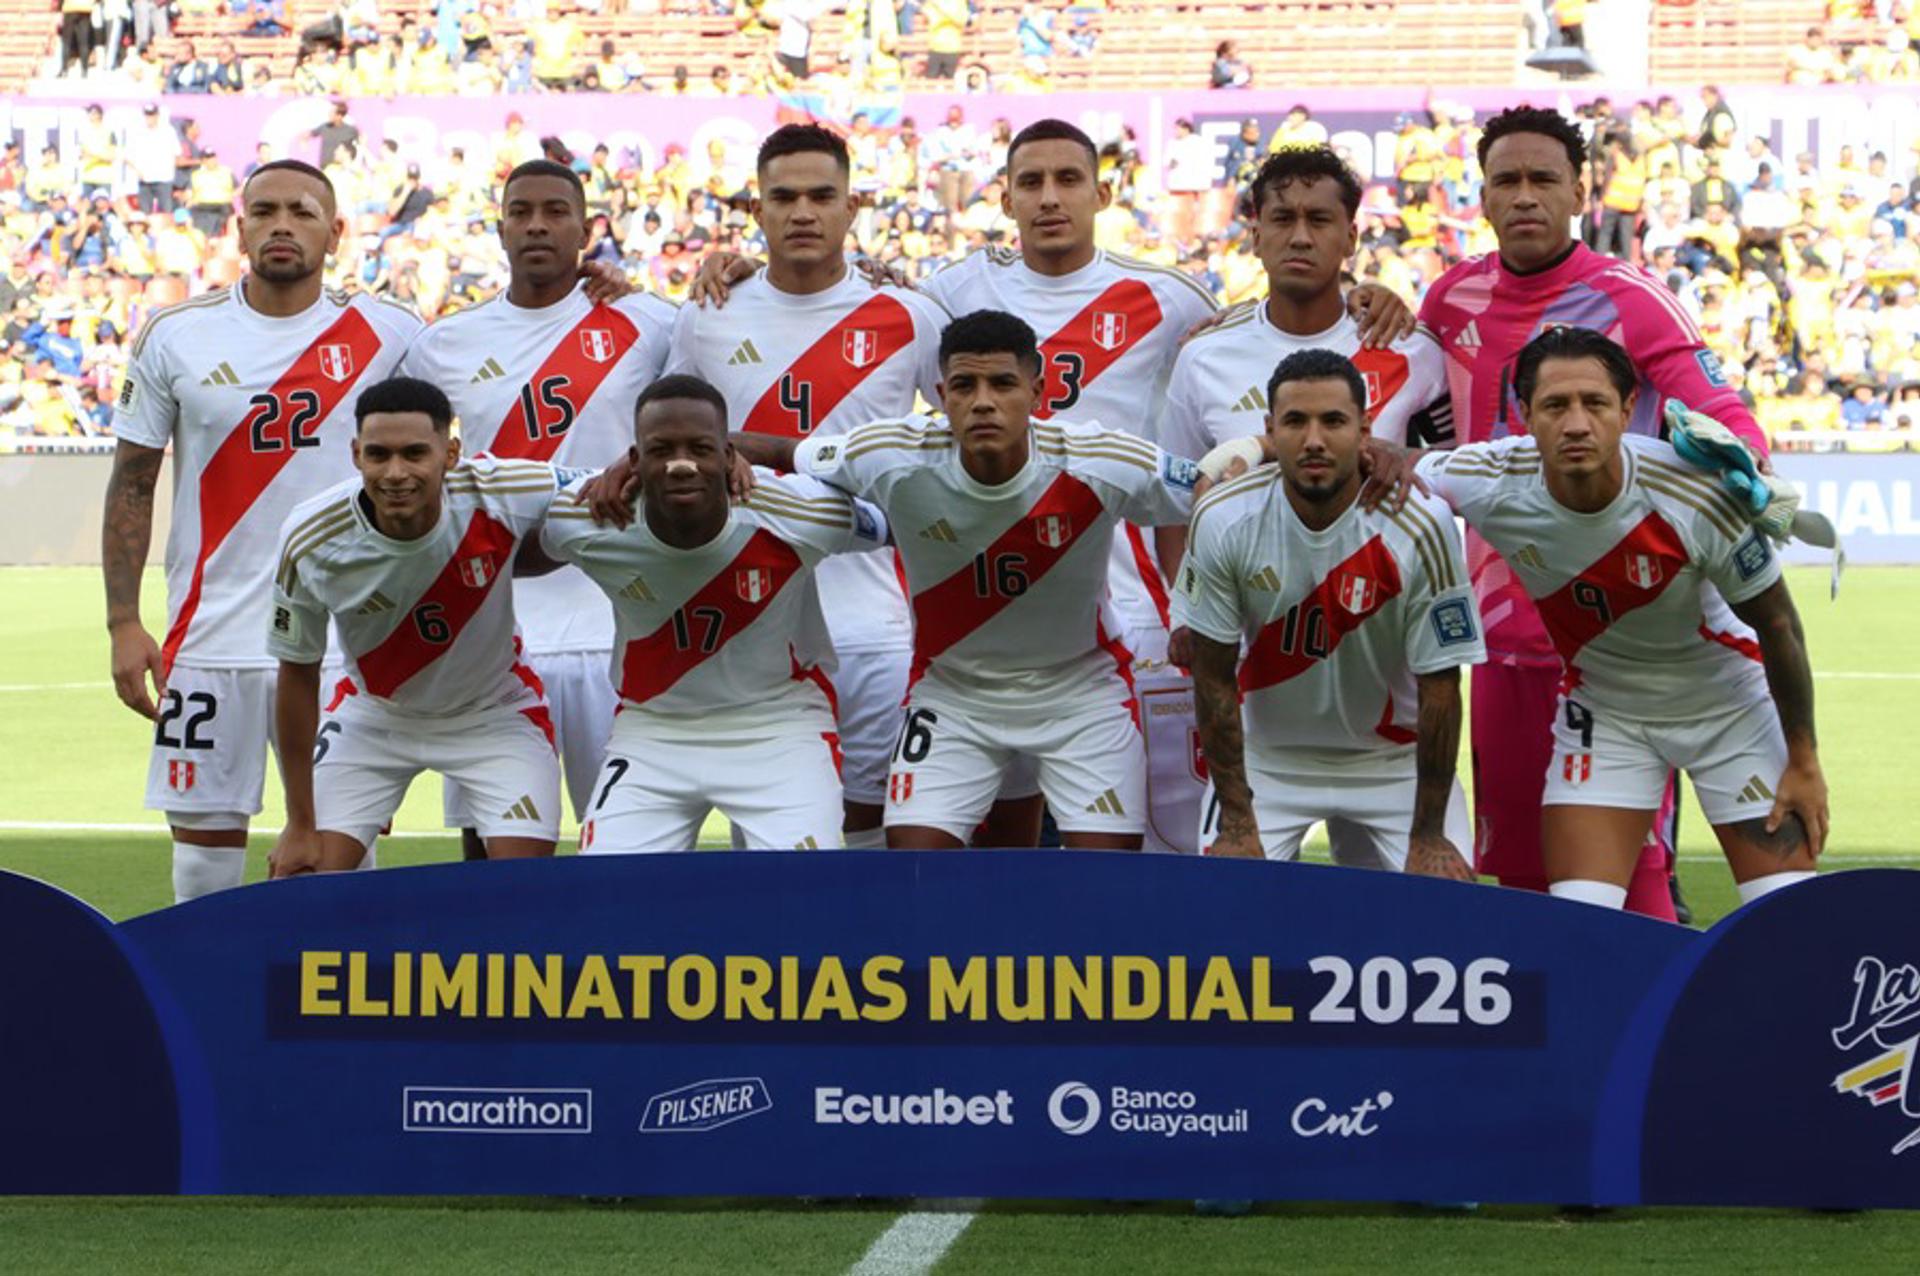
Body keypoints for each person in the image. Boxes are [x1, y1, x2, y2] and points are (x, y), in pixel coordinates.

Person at [1417, 105, 1772, 920]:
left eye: (1544, 178)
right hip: (1502, 633)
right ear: (1483, 194)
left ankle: (1651, 1040)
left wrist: (1745, 467)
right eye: (1506, 179)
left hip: (1620, 637)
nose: (1525, 195)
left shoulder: (1631, 300)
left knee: (1635, 878)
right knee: (1521, 870)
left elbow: (1721, 410)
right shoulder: (1452, 297)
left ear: (1580, 191)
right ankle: (1554, 1042)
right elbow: (1410, 407)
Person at [726, 309, 1200, 851]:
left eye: (1003, 384)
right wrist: (649, 457)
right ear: (938, 395)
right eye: (963, 386)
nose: (982, 401)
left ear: (1038, 392)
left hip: (1080, 691)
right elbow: (782, 451)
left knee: (1105, 877)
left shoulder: (1098, 458)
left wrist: (1192, 602)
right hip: (953, 693)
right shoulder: (889, 453)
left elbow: (1214, 493)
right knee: (917, 867)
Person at [1413, 327, 1825, 908]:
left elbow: (1779, 625)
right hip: (1605, 715)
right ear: (1525, 414)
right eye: (1555, 405)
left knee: (1787, 917)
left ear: (1629, 409)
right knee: (1582, 921)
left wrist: (1804, 761)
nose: (1576, 424)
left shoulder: (1695, 491)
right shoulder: (1488, 477)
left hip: (1728, 711)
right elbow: (1382, 468)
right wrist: (1253, 452)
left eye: (1596, 403)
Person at [103, 160, 423, 902]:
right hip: (209, 637)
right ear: (238, 226)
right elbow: (132, 485)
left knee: (344, 854)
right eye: (265, 210)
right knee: (202, 860)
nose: (283, 224)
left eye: (303, 212)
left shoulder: (389, 333)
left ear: (335, 233)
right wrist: (124, 620)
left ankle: (334, 1013)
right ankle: (205, 1009)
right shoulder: (176, 335)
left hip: (347, 643)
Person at [661, 125, 948, 849]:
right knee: (765, 830)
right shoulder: (707, 313)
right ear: (756, 211)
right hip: (740, 619)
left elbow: (974, 446)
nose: (803, 212)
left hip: (871, 616)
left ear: (853, 208)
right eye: (783, 197)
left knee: (865, 830)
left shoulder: (910, 316)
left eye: (822, 196)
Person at [398, 157, 676, 854]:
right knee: (492, 854)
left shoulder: (650, 323)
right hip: (495, 636)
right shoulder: (444, 345)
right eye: (521, 212)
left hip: (620, 624)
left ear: (586, 228)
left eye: (556, 212)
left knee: (621, 851)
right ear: (499, 229)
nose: (537, 226)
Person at [545, 376, 891, 853]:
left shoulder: (799, 513)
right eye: (661, 449)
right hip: (653, 730)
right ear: (633, 460)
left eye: (701, 448)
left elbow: (899, 521)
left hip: (778, 726)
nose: (682, 464)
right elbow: (512, 545)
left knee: (805, 899)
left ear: (729, 456)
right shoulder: (588, 519)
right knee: (613, 900)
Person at [1180, 348, 1481, 874]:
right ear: (1270, 432)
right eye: (1296, 421)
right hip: (1268, 761)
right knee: (1220, 916)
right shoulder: (1225, 516)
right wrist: (1236, 821)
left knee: (1452, 915)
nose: (1314, 439)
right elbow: (1212, 677)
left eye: (1334, 421)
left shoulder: (1421, 523)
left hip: (1392, 763)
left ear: (1366, 430)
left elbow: (1440, 685)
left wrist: (1429, 835)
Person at [265, 378, 567, 876]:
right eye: (379, 455)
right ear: (356, 454)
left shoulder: (501, 489)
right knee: (302, 878)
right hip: (372, 715)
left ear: (450, 453)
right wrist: (299, 822)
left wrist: (736, 451)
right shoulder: (310, 536)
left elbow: (617, 482)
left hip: (494, 713)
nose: (396, 473)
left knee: (523, 893)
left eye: (414, 454)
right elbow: (297, 671)